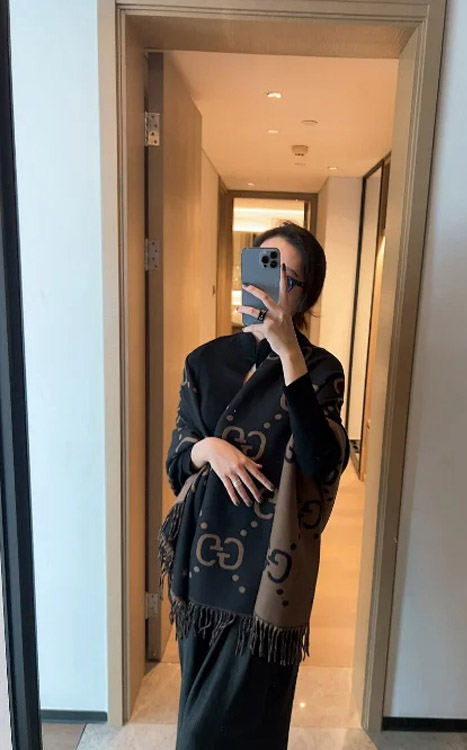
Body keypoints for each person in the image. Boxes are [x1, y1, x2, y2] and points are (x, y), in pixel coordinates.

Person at [159, 221, 350, 750]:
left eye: (289, 277)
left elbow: (321, 463)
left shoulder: (319, 370)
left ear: (305, 296)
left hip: (268, 575)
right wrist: (208, 448)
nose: (272, 285)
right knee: (202, 715)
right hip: (201, 568)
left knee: (232, 730)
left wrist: (289, 356)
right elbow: (177, 464)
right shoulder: (205, 361)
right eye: (265, 267)